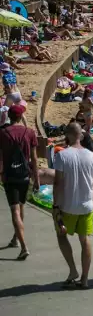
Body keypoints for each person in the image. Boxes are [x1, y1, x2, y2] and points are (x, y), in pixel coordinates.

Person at [53, 123, 93, 289]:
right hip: (87, 205)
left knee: (61, 235)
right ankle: (85, 279)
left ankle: (73, 270)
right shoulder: (91, 156)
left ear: (67, 135)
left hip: (68, 205)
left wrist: (55, 205)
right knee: (85, 239)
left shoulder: (62, 156)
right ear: (81, 136)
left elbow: (58, 183)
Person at [0, 105, 38, 260]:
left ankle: (24, 247)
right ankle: (16, 239)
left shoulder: (3, 133)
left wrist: (1, 173)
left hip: (10, 176)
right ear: (21, 116)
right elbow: (34, 159)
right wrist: (37, 178)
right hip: (25, 175)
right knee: (21, 207)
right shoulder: (29, 132)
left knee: (15, 210)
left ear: (9, 116)